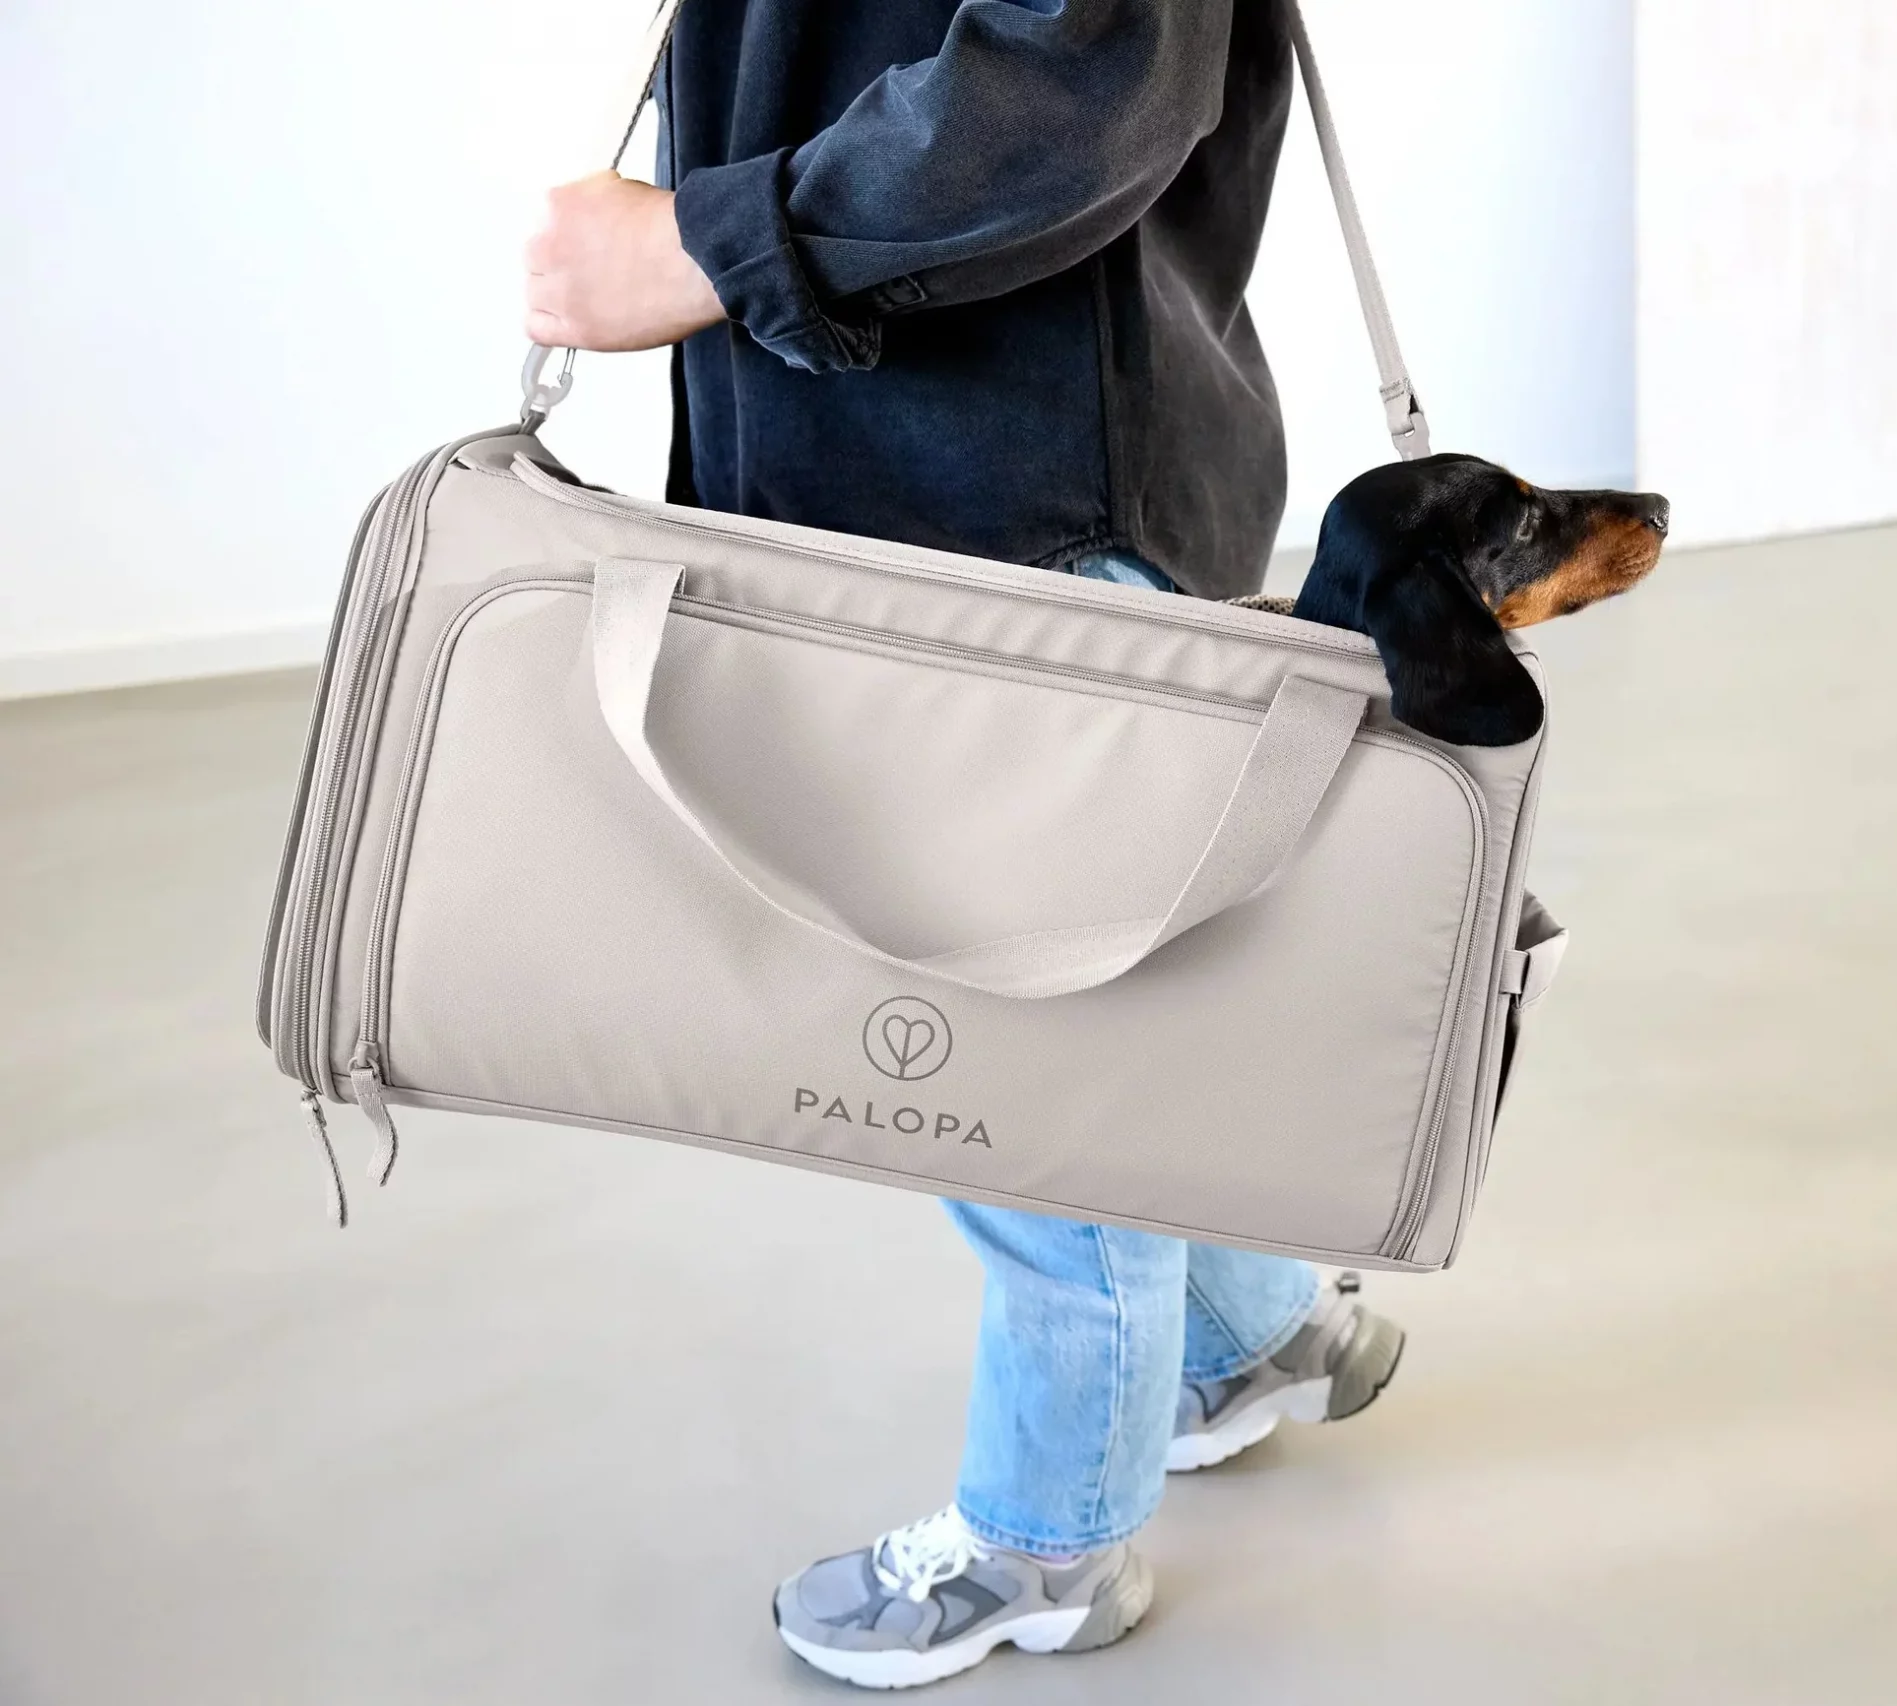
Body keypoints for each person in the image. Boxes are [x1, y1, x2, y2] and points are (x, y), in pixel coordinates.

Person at [522, 0, 1404, 1688]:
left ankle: (1049, 1540)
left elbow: (1085, 74)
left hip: (1007, 514)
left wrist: (706, 247)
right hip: (951, 490)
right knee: (1099, 998)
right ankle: (1249, 1329)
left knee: (1023, 1064)